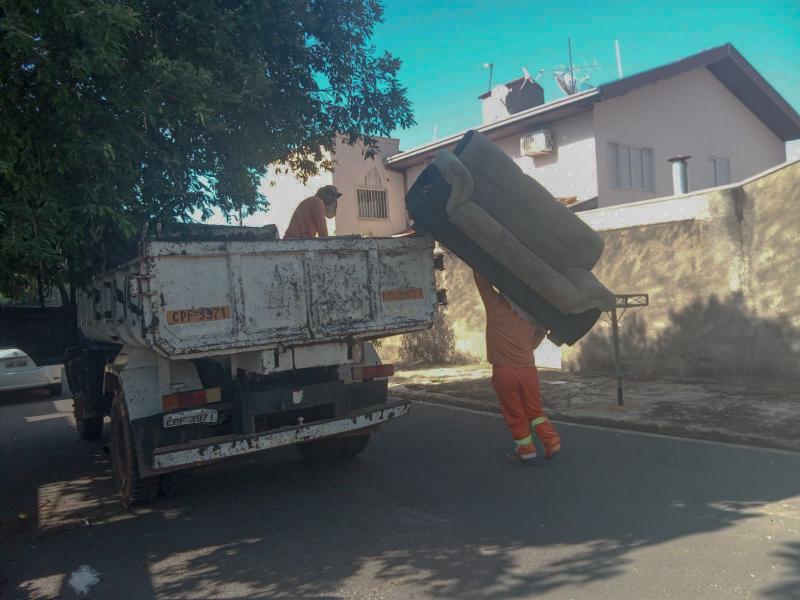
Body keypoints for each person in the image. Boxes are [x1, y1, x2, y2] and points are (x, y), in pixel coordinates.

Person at [473, 270, 561, 461]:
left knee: (514, 411)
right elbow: (534, 343)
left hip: (504, 371)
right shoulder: (532, 316)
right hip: (528, 370)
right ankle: (551, 440)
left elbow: (482, 281)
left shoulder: (496, 306)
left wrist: (477, 261)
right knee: (535, 410)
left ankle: (526, 449)